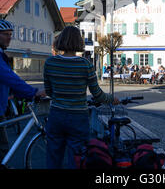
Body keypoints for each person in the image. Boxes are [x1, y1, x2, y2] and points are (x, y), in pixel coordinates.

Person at [0, 19, 46, 164]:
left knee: (3, 148)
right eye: (5, 34)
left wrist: (19, 94)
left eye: (10, 34)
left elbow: (5, 81)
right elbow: (9, 77)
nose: (9, 37)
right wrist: (32, 92)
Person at [43, 26, 119, 169]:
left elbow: (49, 91)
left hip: (56, 115)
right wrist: (112, 99)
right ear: (79, 42)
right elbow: (97, 94)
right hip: (78, 117)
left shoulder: (50, 63)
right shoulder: (86, 64)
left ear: (61, 40)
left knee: (53, 156)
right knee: (77, 158)